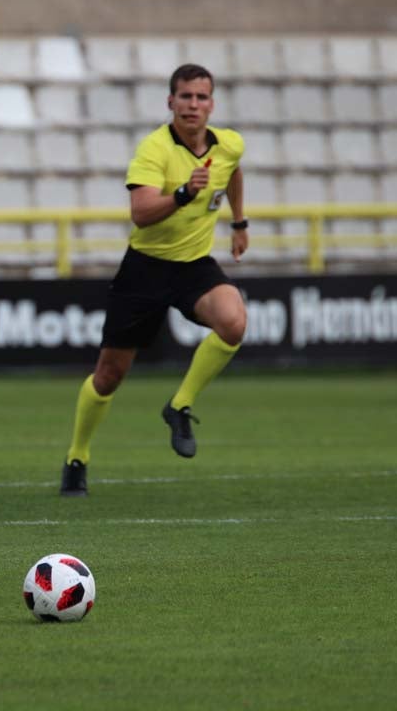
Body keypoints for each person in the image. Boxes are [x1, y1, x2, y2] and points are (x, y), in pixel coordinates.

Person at [60, 63, 249, 497]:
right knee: (108, 376)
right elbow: (141, 215)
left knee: (234, 321)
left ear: (211, 104)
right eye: (185, 97)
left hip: (193, 265)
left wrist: (239, 223)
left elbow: (234, 171)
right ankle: (77, 456)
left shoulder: (229, 144)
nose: (193, 105)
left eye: (201, 98)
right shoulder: (153, 150)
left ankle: (179, 406)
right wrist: (184, 193)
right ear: (171, 102)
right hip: (145, 267)